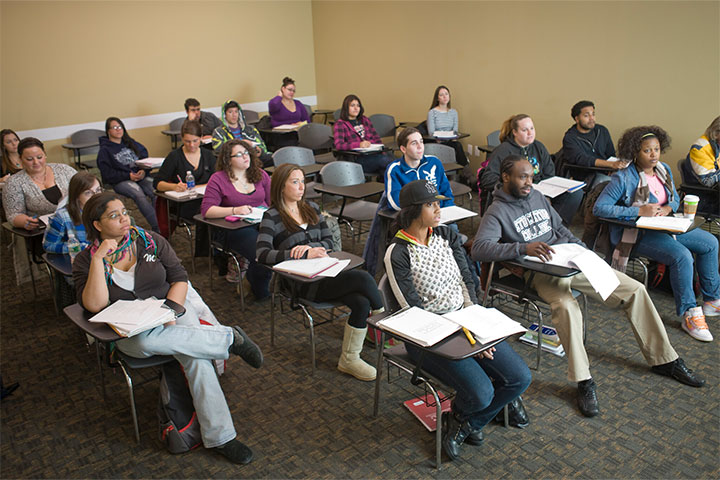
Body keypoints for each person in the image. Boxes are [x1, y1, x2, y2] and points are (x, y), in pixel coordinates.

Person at [473, 155, 705, 418]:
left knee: (635, 290)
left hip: (570, 258)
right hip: (541, 271)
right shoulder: (497, 210)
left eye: (531, 176)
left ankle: (665, 360)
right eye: (522, 177)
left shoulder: (537, 196)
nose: (529, 182)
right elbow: (480, 249)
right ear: (505, 177)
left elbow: (559, 228)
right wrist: (523, 248)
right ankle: (583, 380)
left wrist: (582, 249)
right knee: (567, 307)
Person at [72, 192, 263, 465]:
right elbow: (94, 305)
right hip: (129, 332)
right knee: (147, 344)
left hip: (170, 311)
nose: (124, 219)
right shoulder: (85, 259)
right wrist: (97, 260)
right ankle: (229, 338)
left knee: (196, 360)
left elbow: (179, 278)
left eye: (124, 212)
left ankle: (222, 437)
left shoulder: (150, 241)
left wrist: (170, 311)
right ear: (97, 224)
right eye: (114, 216)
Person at [384, 179, 531, 460]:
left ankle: (463, 421)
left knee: (519, 378)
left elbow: (468, 284)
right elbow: (412, 312)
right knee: (481, 393)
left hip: (468, 325)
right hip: (428, 338)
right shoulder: (398, 252)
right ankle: (482, 411)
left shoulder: (446, 237)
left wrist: (475, 329)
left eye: (438, 202)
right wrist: (465, 339)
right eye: (431, 204)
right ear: (413, 211)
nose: (439, 208)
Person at [256, 163, 384, 381]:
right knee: (362, 277)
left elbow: (328, 240)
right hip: (302, 283)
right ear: (280, 186)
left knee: (361, 302)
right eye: (294, 182)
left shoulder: (311, 209)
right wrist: (295, 253)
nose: (301, 187)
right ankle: (384, 322)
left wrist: (318, 249)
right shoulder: (272, 216)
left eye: (302, 182)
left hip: (326, 272)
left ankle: (349, 359)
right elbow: (262, 254)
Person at [594, 126, 720, 342]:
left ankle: (711, 300)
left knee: (710, 241)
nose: (654, 155)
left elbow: (674, 198)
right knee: (682, 256)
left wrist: (669, 208)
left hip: (665, 225)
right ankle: (689, 313)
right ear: (635, 152)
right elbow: (600, 208)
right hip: (637, 234)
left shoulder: (664, 170)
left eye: (657, 149)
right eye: (647, 151)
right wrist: (638, 211)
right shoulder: (623, 178)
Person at [361, 127, 456, 276]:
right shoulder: (395, 169)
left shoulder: (434, 163)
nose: (420, 147)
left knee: (454, 237)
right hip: (413, 221)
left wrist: (447, 212)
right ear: (403, 149)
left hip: (440, 216)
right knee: (443, 240)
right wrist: (424, 212)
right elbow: (394, 202)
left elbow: (446, 193)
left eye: (421, 142)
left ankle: (457, 277)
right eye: (414, 143)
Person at [480, 114, 583, 225]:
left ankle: (557, 227)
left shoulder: (538, 147)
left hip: (540, 188)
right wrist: (513, 186)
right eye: (525, 130)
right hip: (516, 191)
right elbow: (488, 179)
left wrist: (544, 187)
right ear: (515, 132)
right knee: (542, 200)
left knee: (575, 193)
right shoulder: (503, 150)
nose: (530, 133)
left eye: (532, 128)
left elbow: (549, 173)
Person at [201, 139, 272, 296]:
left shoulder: (261, 175)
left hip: (261, 222)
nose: (245, 157)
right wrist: (234, 210)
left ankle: (261, 279)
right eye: (239, 155)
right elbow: (207, 210)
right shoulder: (218, 179)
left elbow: (271, 203)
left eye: (246, 152)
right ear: (228, 160)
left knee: (287, 240)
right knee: (262, 252)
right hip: (235, 228)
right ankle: (259, 289)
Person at [96, 117, 158, 231]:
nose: (118, 130)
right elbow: (107, 174)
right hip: (121, 180)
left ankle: (162, 221)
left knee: (156, 191)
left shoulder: (131, 143)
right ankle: (157, 227)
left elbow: (146, 159)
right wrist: (127, 176)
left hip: (140, 177)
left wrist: (144, 171)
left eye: (120, 127)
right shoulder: (105, 150)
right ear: (108, 131)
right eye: (114, 127)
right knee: (139, 195)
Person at [2, 137, 77, 231]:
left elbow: (85, 189)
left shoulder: (65, 170)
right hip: (41, 231)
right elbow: (13, 215)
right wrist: (24, 221)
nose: (36, 162)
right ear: (21, 159)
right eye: (29, 159)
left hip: (75, 223)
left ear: (45, 155)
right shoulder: (14, 183)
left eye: (39, 157)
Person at [155, 120, 214, 217]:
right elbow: (157, 183)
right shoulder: (175, 156)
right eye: (187, 141)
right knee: (208, 211)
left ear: (201, 138)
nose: (191, 145)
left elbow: (218, 178)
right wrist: (174, 186)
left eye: (195, 141)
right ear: (182, 139)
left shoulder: (208, 155)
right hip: (186, 202)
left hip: (207, 198)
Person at [561, 100, 627, 185]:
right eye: (586, 115)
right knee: (613, 183)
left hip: (606, 171)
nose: (592, 118)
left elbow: (611, 154)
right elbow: (583, 159)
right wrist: (610, 165)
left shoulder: (602, 130)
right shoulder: (570, 138)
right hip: (585, 176)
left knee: (628, 178)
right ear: (577, 119)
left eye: (593, 114)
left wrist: (612, 168)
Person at [333, 94, 393, 176]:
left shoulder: (365, 120)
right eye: (352, 105)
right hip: (357, 159)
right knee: (387, 162)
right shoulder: (340, 124)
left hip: (373, 153)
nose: (356, 108)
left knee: (388, 165)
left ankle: (387, 187)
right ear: (346, 108)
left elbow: (376, 138)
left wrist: (380, 149)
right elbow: (339, 145)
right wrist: (359, 144)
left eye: (358, 105)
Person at [43, 172, 100, 254]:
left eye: (98, 190)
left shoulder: (105, 209)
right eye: (88, 193)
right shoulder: (61, 217)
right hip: (80, 259)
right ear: (77, 195)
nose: (95, 196)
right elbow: (49, 246)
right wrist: (81, 248)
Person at [212, 100, 273, 167]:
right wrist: (241, 144)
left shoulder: (250, 129)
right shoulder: (218, 132)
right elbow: (219, 150)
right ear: (225, 115)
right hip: (234, 160)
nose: (234, 115)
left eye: (236, 111)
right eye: (230, 112)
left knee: (274, 158)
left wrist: (259, 151)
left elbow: (262, 146)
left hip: (253, 157)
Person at [684, 116, 720, 214]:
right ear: (717, 133)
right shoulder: (700, 147)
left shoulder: (717, 145)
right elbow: (708, 181)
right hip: (706, 197)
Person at [427, 85, 469, 166]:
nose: (444, 97)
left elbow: (455, 130)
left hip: (450, 141)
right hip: (437, 143)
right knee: (457, 147)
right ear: (437, 98)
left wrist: (453, 136)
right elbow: (431, 132)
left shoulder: (454, 112)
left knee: (457, 145)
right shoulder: (432, 113)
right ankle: (466, 171)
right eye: (441, 95)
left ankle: (464, 171)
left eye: (446, 94)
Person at [268, 77, 310, 148]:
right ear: (283, 89)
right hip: (282, 135)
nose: (292, 93)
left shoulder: (298, 103)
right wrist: (279, 96)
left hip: (297, 133)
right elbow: (273, 107)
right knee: (292, 143)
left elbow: (307, 120)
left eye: (293, 91)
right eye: (289, 90)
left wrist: (301, 123)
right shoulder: (275, 102)